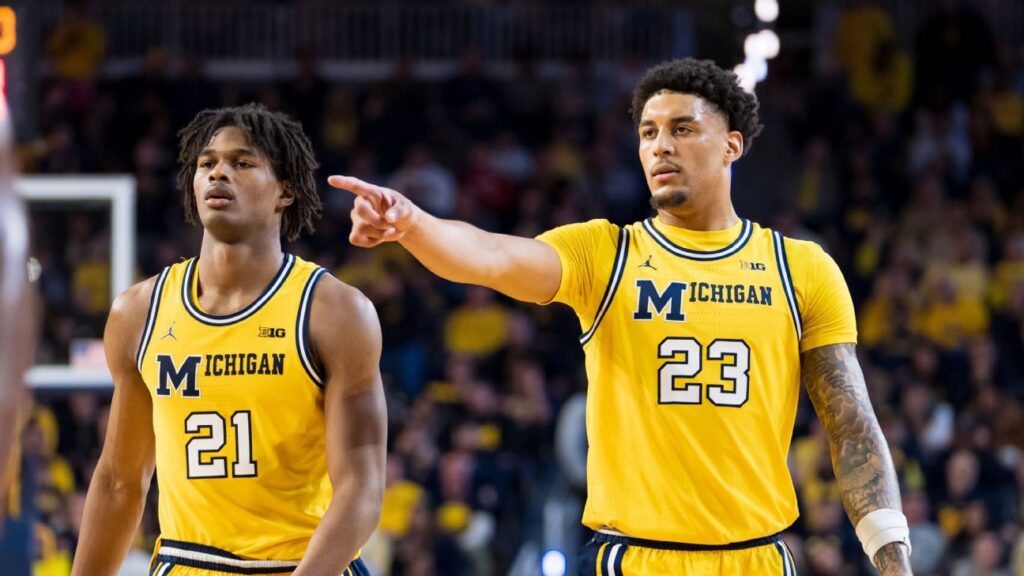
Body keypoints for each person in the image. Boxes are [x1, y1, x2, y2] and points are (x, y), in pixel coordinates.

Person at [334, 58, 913, 575]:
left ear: (732, 145)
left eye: (682, 129)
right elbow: (490, 255)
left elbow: (852, 424)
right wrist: (414, 224)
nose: (661, 145)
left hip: (759, 555)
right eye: (648, 132)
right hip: (634, 557)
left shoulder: (802, 269)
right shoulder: (607, 254)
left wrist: (892, 558)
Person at [72, 104, 386, 576]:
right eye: (207, 163)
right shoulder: (138, 312)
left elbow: (362, 488)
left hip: (303, 565)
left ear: (284, 191)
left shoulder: (336, 312)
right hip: (189, 561)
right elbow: (119, 482)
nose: (219, 172)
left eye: (242, 163)